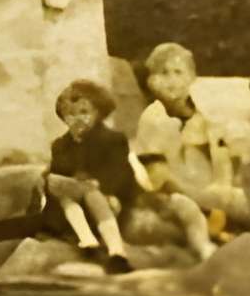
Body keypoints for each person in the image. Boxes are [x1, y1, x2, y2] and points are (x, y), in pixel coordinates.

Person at [127, 42, 229, 261]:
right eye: (164, 73)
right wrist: (197, 197)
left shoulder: (204, 118)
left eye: (178, 72)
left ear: (192, 77)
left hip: (207, 190)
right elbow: (157, 174)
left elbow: (221, 160)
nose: (172, 80)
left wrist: (222, 187)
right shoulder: (153, 118)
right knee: (187, 209)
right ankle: (205, 249)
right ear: (151, 81)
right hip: (170, 193)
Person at [43, 78, 138, 274]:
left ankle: (117, 252)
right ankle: (87, 240)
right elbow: (58, 172)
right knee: (62, 190)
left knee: (90, 192)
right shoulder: (60, 145)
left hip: (107, 200)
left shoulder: (112, 140)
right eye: (70, 113)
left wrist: (107, 190)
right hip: (71, 208)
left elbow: (119, 172)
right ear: (63, 117)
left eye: (84, 112)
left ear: (98, 113)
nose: (77, 118)